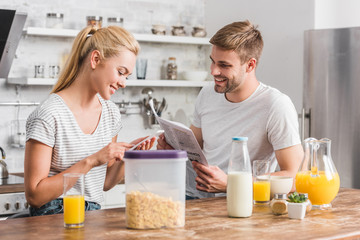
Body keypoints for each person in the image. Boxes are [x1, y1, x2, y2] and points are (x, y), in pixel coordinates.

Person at [157, 20, 304, 199]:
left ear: (250, 65)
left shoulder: (276, 105)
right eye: (213, 62)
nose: (214, 71)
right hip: (197, 201)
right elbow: (195, 146)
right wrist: (173, 150)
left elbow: (293, 177)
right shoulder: (207, 94)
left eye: (224, 65)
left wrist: (230, 184)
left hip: (243, 206)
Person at [25, 25, 154, 216]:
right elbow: (35, 195)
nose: (123, 83)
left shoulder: (111, 114)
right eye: (120, 72)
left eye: (127, 76)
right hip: (51, 220)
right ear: (95, 59)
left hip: (93, 218)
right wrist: (93, 160)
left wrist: (128, 157)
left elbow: (105, 183)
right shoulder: (49, 114)